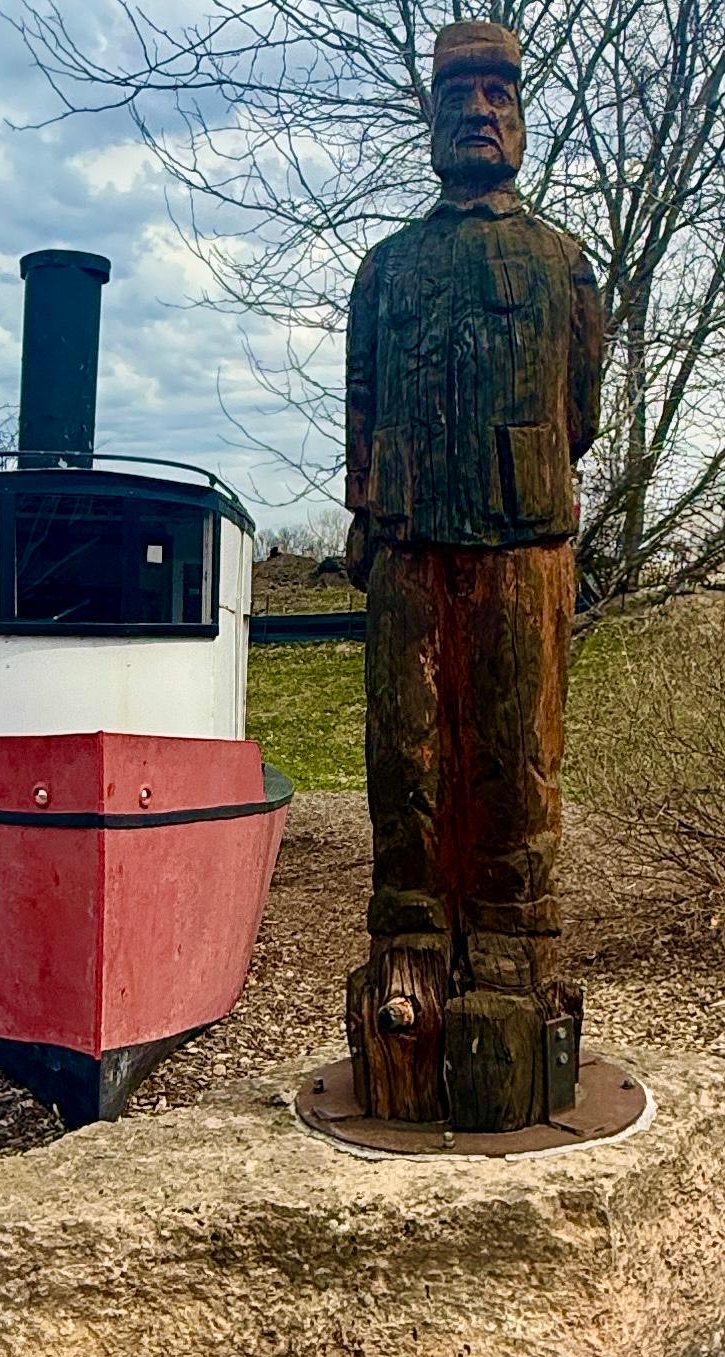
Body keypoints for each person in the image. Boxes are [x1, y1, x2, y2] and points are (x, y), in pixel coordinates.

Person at [344, 19, 603, 1125]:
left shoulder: (560, 262)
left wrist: (520, 486)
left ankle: (510, 930)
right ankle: (407, 926)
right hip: (405, 540)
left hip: (519, 538)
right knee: (400, 738)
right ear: (431, 117)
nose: (480, 111)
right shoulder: (388, 267)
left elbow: (577, 405)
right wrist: (376, 507)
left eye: (499, 92)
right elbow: (360, 406)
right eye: (459, 94)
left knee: (512, 742)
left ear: (523, 116)